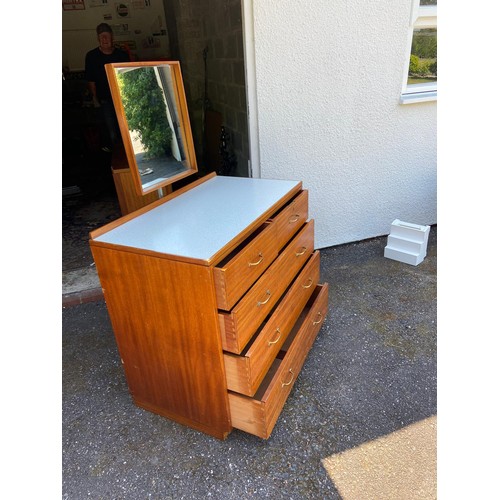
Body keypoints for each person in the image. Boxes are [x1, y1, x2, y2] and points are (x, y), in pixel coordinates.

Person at [85, 23, 130, 152]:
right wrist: (94, 98)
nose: (104, 40)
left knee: (125, 129)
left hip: (123, 98)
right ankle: (117, 158)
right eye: (101, 37)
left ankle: (129, 157)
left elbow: (128, 75)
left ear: (112, 38)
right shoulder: (92, 56)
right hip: (104, 99)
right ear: (98, 39)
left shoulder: (122, 55)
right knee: (111, 132)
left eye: (107, 36)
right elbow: (90, 79)